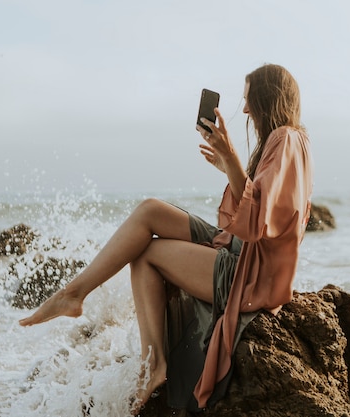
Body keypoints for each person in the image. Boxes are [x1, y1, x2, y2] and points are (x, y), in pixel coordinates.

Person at [19, 63, 313, 414]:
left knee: (145, 254)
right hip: (240, 251)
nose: (245, 109)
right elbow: (244, 213)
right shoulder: (284, 142)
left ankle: (153, 363)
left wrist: (232, 158)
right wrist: (227, 164)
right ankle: (75, 294)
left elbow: (257, 225)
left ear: (267, 98)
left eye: (249, 100)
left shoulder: (286, 139)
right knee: (150, 211)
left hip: (251, 276)